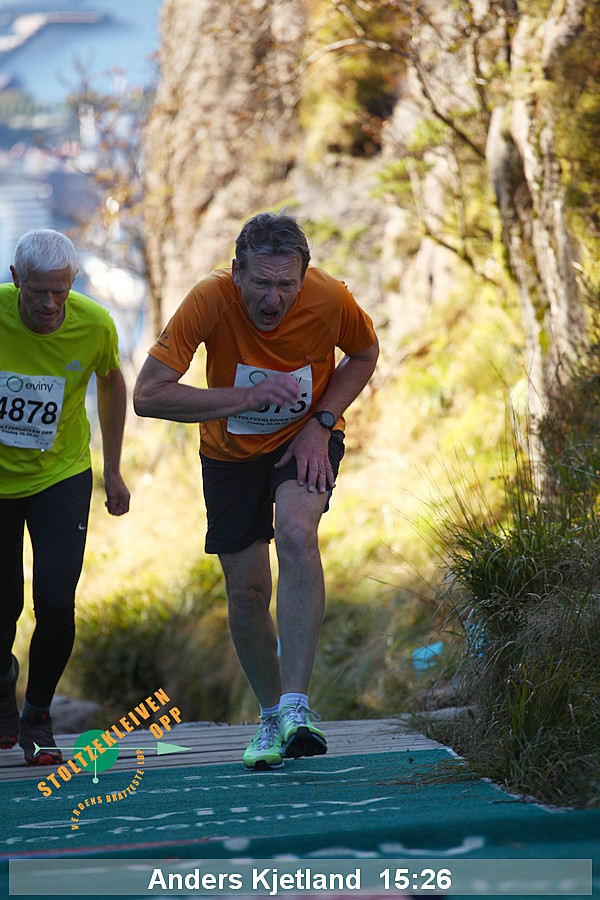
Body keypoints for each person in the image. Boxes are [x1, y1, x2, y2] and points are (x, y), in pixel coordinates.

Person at [134, 211, 378, 770]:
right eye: (261, 283)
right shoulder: (208, 299)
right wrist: (242, 398)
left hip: (304, 439)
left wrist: (322, 422)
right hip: (230, 455)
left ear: (304, 277)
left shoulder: (330, 298)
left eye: (286, 285)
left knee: (296, 532)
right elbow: (147, 395)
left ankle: (296, 706)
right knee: (246, 591)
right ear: (237, 272)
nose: (273, 299)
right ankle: (270, 717)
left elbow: (364, 354)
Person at [0, 229, 130, 766]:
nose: (51, 305)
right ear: (16, 280)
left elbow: (112, 382)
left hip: (62, 473)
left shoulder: (94, 324)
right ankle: (3, 683)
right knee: (2, 603)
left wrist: (114, 470)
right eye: (38, 292)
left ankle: (37, 715)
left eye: (61, 290)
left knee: (55, 601)